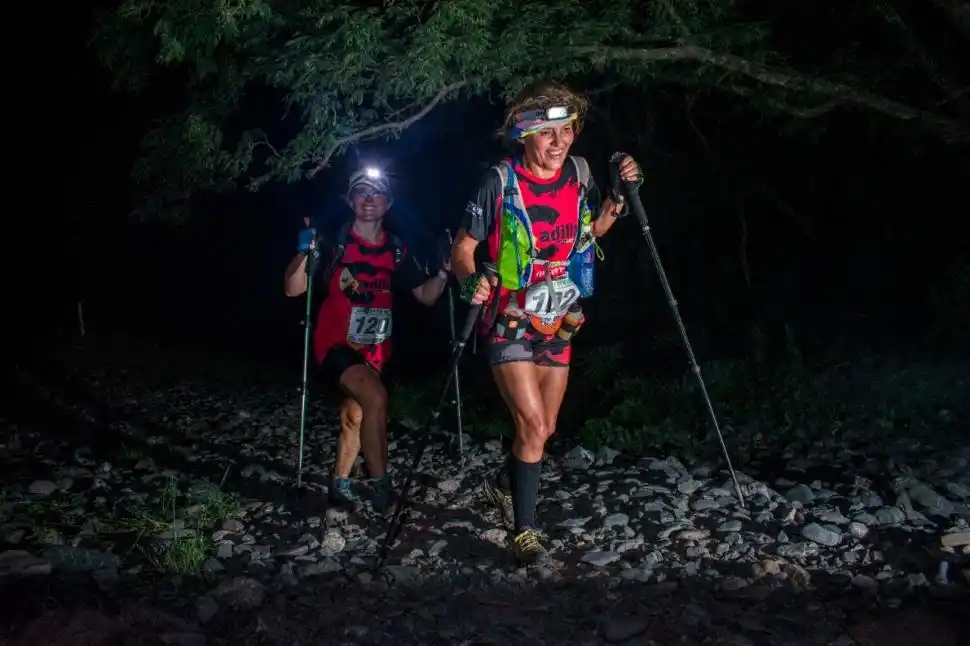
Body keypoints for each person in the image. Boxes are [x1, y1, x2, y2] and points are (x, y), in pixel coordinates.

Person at [451, 81, 643, 562]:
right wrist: (470, 280)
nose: (559, 142)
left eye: (567, 130)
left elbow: (591, 231)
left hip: (559, 321)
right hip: (508, 320)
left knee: (546, 427)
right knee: (533, 423)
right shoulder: (499, 180)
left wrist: (618, 197)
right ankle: (525, 531)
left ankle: (503, 482)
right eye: (547, 133)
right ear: (524, 136)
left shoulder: (578, 174)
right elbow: (463, 249)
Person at [284, 167, 451, 515]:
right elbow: (293, 289)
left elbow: (425, 295)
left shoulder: (396, 249)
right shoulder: (334, 243)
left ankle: (339, 484)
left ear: (388, 203)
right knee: (375, 398)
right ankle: (381, 487)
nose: (369, 199)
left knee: (356, 415)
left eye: (376, 194)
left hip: (376, 349)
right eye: (361, 192)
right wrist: (303, 251)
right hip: (334, 345)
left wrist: (445, 271)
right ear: (350, 200)